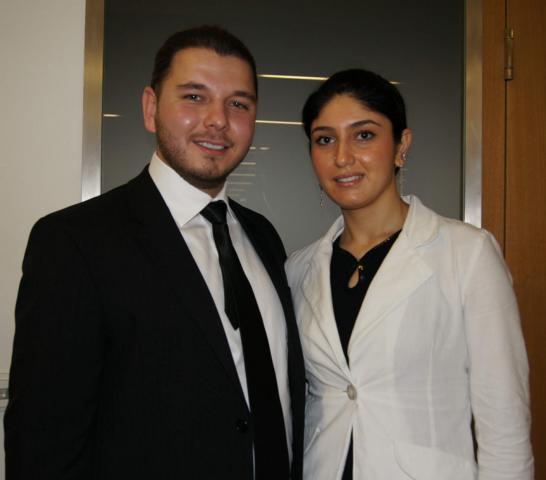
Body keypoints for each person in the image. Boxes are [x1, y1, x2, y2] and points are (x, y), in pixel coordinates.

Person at [5, 25, 304, 480]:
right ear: (150, 108)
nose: (218, 120)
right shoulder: (74, 242)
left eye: (238, 104)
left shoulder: (262, 236)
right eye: (194, 97)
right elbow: (42, 443)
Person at [285, 69, 533, 479]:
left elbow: (504, 422)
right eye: (324, 139)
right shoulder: (299, 268)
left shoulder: (467, 253)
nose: (342, 157)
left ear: (402, 145)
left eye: (364, 135)